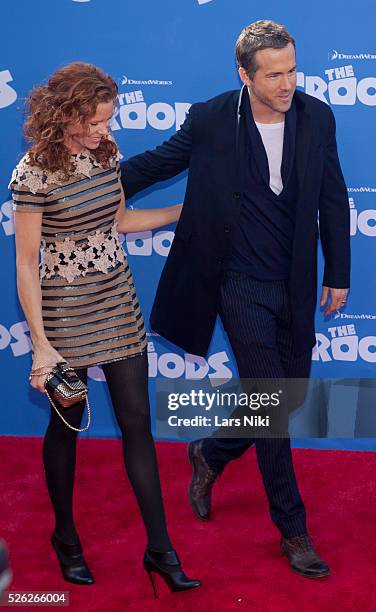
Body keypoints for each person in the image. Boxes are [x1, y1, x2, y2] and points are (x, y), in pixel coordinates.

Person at [121, 20, 350, 579]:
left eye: (293, 69)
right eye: (274, 74)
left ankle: (212, 452)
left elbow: (333, 197)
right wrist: (81, 181)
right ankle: (293, 530)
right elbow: (155, 164)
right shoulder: (211, 118)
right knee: (273, 406)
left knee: (286, 399)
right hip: (236, 282)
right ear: (244, 75)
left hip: (293, 282)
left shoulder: (318, 116)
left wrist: (338, 273)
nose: (288, 82)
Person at [9, 62, 201, 596]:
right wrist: (42, 346)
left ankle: (160, 549)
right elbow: (26, 263)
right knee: (66, 426)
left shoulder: (106, 154)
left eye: (107, 122)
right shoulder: (32, 174)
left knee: (138, 421)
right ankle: (66, 538)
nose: (104, 132)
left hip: (116, 301)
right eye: (94, 122)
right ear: (65, 114)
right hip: (63, 314)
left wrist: (187, 209)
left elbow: (119, 222)